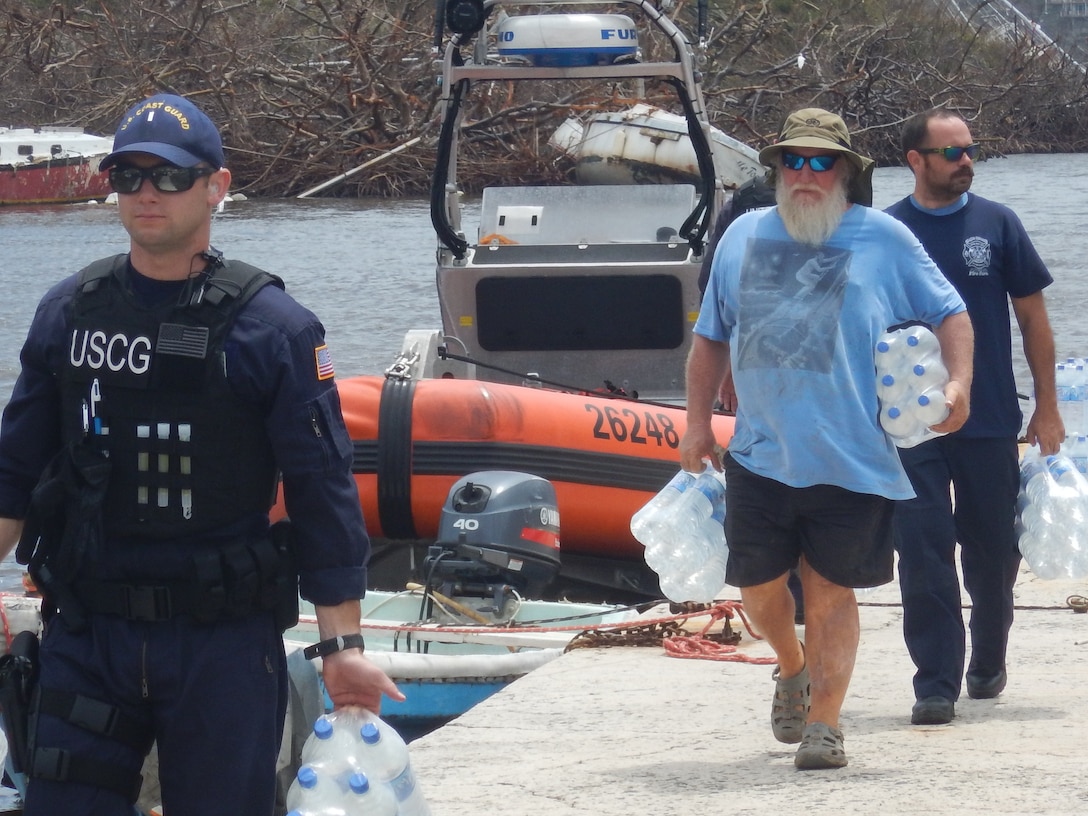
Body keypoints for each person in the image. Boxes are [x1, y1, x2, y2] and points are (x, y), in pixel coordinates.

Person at [0, 93, 404, 814]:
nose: (146, 193)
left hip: (220, 642)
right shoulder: (69, 311)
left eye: (169, 176)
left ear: (216, 186)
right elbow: (13, 471)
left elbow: (322, 489)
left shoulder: (274, 330)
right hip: (90, 633)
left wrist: (342, 647)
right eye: (128, 176)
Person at [680, 107, 973, 770]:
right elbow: (709, 340)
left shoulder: (883, 238)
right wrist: (698, 423)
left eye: (821, 161)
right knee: (758, 590)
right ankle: (791, 665)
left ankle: (826, 725)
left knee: (830, 591)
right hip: (760, 450)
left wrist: (958, 385)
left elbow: (950, 311)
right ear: (778, 169)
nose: (806, 173)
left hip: (853, 454)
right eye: (794, 160)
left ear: (845, 171)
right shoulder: (741, 238)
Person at [886, 109, 1063, 726]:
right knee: (924, 550)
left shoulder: (998, 223)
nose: (966, 161)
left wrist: (1047, 406)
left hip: (988, 417)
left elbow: (1033, 319)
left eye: (970, 150)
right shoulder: (887, 233)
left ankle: (987, 657)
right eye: (952, 152)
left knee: (992, 550)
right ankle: (934, 681)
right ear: (916, 160)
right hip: (910, 426)